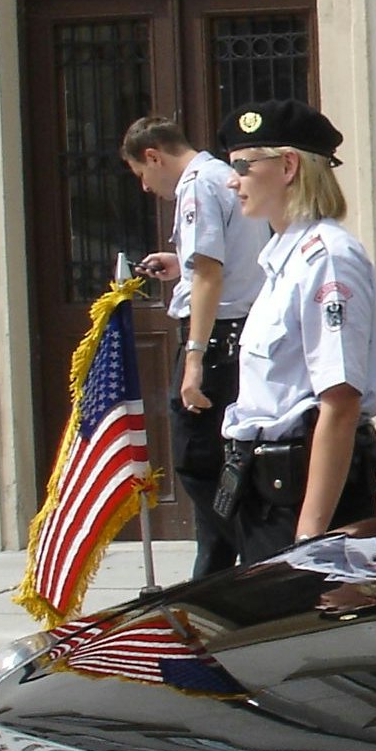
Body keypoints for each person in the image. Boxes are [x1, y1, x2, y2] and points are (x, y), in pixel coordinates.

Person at [212, 98, 376, 566]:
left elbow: (339, 399)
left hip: (300, 499)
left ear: (289, 165)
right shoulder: (283, 258)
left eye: (243, 165)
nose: (232, 180)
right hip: (262, 491)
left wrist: (309, 539)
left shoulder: (327, 258)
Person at [122, 116, 270, 577]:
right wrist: (177, 266)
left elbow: (209, 273)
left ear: (154, 156)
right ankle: (214, 572)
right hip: (241, 332)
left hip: (218, 340)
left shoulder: (197, 185)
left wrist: (193, 359)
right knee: (224, 463)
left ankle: (257, 561)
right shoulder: (224, 178)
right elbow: (213, 263)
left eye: (142, 175)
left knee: (197, 462)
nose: (146, 188)